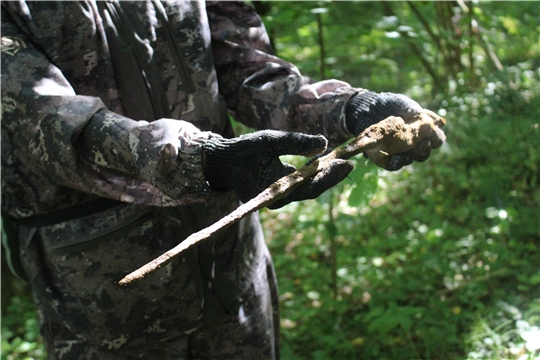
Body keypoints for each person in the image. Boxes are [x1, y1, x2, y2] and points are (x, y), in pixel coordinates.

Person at [1, 1, 445, 359]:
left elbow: (241, 62)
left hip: (233, 267)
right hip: (108, 300)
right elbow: (47, 122)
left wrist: (345, 108)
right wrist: (200, 160)